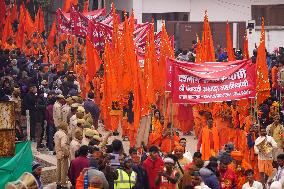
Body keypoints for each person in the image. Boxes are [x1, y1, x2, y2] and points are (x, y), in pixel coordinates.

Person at [54, 121, 70, 189]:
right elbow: (63, 145)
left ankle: (58, 182)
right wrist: (66, 152)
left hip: (58, 152)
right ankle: (63, 184)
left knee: (59, 169)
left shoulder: (57, 133)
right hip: (63, 153)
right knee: (64, 169)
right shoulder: (63, 135)